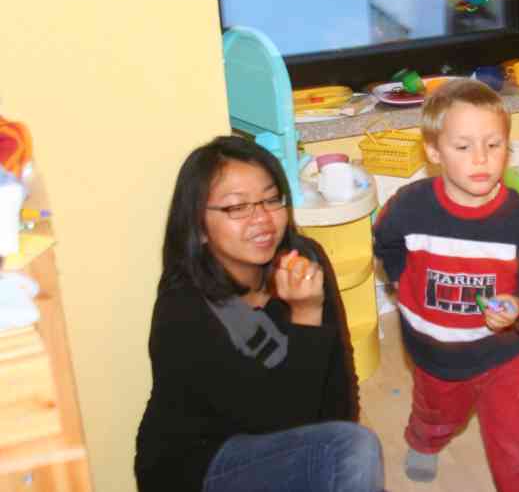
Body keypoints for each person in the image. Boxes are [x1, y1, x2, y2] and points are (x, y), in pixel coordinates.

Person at [134, 136, 384, 492]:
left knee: (352, 449)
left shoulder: (303, 261)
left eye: (270, 199)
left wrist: (336, 458)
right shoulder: (184, 308)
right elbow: (277, 421)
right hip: (201, 466)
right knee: (349, 449)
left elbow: (339, 380)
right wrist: (306, 314)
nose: (263, 219)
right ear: (198, 225)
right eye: (237, 207)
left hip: (280, 448)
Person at [372, 78, 519, 492]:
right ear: (433, 151)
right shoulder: (408, 206)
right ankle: (424, 438)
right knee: (438, 415)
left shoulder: (518, 217)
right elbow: (384, 238)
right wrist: (399, 278)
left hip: (500, 354)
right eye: (463, 147)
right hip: (434, 350)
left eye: (494, 145)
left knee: (515, 437)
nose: (481, 158)